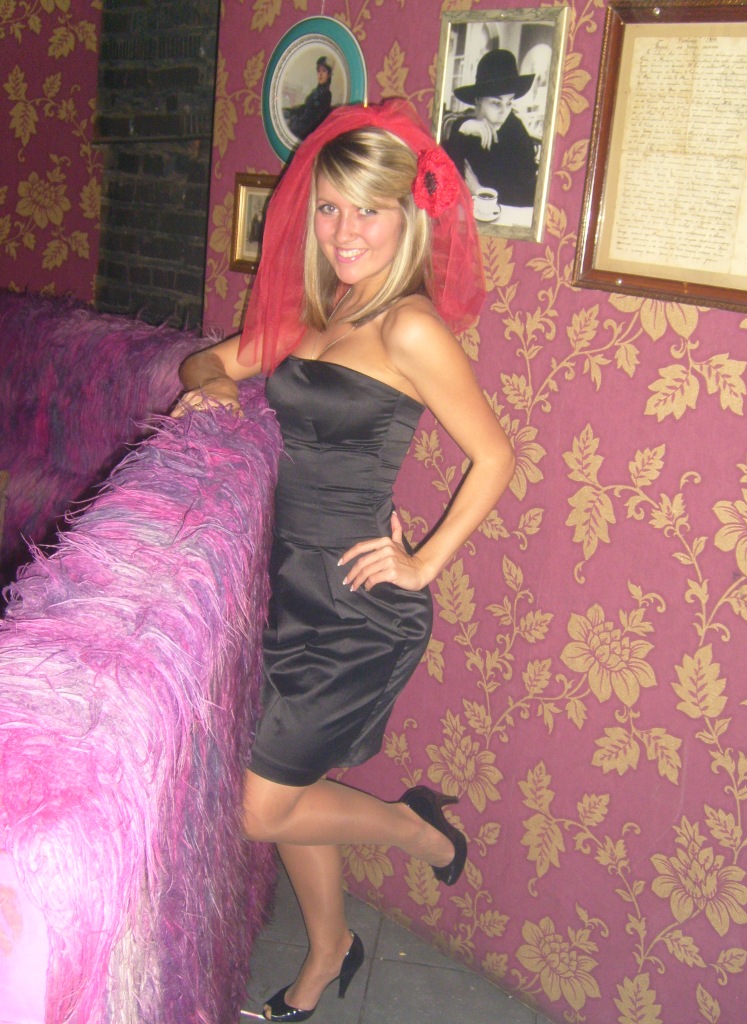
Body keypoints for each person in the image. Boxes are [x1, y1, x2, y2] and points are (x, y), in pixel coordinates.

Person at [172, 100, 515, 1022]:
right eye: (328, 207)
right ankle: (329, 951)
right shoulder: (312, 316)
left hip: (359, 610)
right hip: (287, 592)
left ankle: (415, 828)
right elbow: (207, 364)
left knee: (259, 806)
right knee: (287, 788)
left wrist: (423, 563)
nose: (345, 230)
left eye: (368, 209)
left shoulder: (409, 328)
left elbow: (497, 456)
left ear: (409, 219)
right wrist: (211, 394)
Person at [442, 48, 539, 209]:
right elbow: (445, 180)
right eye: (496, 103)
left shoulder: (517, 134)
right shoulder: (465, 127)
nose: (504, 112)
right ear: (478, 101)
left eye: (509, 103)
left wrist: (479, 191)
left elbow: (528, 197)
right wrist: (462, 130)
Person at [284, 56, 333, 141]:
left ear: (328, 75)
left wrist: (296, 121)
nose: (320, 74)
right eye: (319, 71)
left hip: (307, 132)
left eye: (324, 71)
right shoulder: (316, 91)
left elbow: (313, 118)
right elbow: (306, 107)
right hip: (303, 126)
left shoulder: (326, 94)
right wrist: (291, 112)